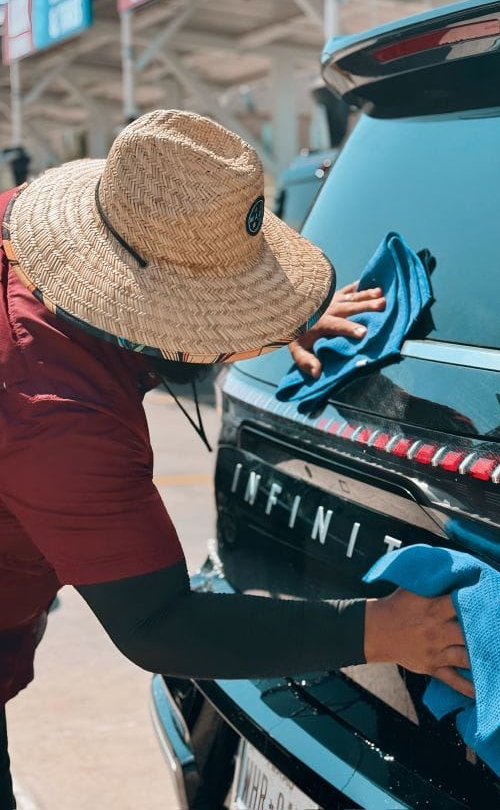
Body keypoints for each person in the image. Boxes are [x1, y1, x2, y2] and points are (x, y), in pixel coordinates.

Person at [0, 109, 472, 809]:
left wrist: (269, 317)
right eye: (216, 314)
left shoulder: (26, 232)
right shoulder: (59, 413)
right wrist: (382, 630)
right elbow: (158, 623)